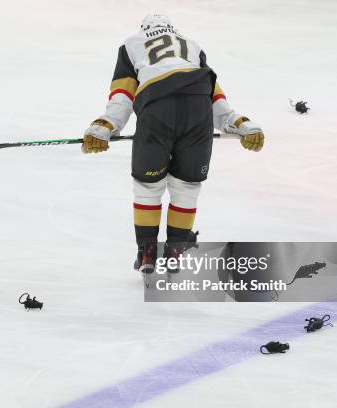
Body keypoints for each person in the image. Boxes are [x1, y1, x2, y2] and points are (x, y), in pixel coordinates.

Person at [82, 14, 264, 275]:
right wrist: (239, 123)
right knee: (187, 186)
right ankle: (175, 250)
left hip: (158, 109)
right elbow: (213, 92)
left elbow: (123, 93)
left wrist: (105, 125)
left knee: (148, 186)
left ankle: (147, 250)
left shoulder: (132, 44)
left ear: (144, 29)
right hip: (197, 109)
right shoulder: (192, 44)